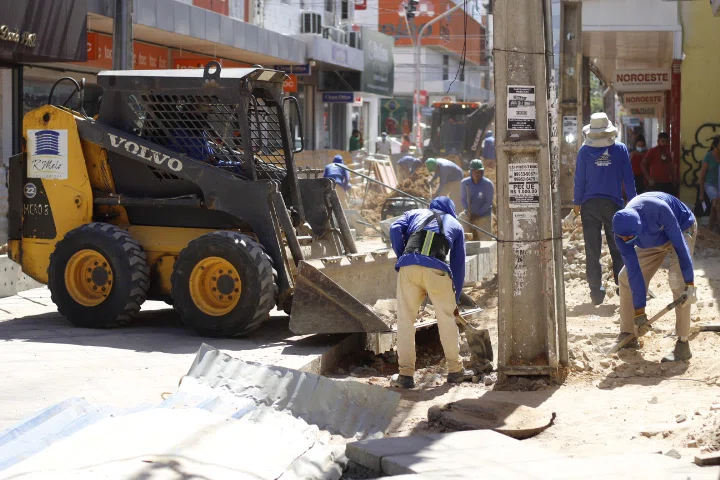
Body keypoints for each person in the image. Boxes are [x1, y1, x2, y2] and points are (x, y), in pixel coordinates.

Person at [389, 196, 474, 388]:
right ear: (451, 211)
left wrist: (403, 256)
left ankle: (406, 375)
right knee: (446, 320)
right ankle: (455, 370)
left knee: (405, 321)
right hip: (437, 269)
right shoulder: (456, 225)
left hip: (408, 268)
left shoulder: (414, 213)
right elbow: (458, 264)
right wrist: (455, 295)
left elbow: (395, 228)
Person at [612, 192, 698, 362]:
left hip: (680, 228)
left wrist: (690, 283)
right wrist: (639, 312)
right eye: (624, 238)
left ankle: (683, 344)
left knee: (678, 284)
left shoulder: (659, 210)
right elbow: (635, 272)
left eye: (629, 237)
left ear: (638, 226)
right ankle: (629, 333)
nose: (626, 240)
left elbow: (681, 248)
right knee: (625, 278)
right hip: (650, 239)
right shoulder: (622, 233)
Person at [573, 112, 637, 305]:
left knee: (592, 251)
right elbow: (629, 179)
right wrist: (633, 203)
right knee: (618, 249)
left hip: (589, 206)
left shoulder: (584, 151)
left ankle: (596, 294)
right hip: (614, 206)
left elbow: (579, 180)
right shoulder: (620, 149)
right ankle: (622, 290)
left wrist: (576, 205)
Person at [459, 159, 494, 241]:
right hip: (469, 214)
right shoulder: (464, 183)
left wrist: (478, 214)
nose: (478, 174)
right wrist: (468, 211)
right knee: (459, 223)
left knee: (486, 241)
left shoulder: (488, 184)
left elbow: (488, 202)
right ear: (471, 172)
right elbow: (463, 199)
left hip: (484, 215)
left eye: (480, 172)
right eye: (475, 171)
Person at [699, 136, 720, 205]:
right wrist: (701, 193)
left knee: (714, 208)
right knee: (717, 203)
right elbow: (702, 175)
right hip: (710, 185)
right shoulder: (709, 156)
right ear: (714, 146)